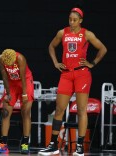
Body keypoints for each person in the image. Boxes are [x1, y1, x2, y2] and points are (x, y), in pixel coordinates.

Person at [38, 7, 107, 156]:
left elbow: (103, 49)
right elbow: (51, 46)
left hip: (82, 74)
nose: (72, 22)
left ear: (80, 20)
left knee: (82, 110)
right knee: (59, 109)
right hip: (66, 75)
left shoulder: (87, 34)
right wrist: (56, 62)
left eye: (75, 20)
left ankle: (80, 146)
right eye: (70, 19)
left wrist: (92, 63)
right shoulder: (62, 32)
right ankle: (53, 145)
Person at [0, 49, 34, 154]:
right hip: (11, 84)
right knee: (5, 113)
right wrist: (7, 93)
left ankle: (25, 144)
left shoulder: (20, 58)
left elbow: (23, 77)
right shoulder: (0, 59)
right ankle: (3, 145)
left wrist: (24, 94)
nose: (9, 66)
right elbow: (4, 76)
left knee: (25, 113)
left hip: (24, 82)